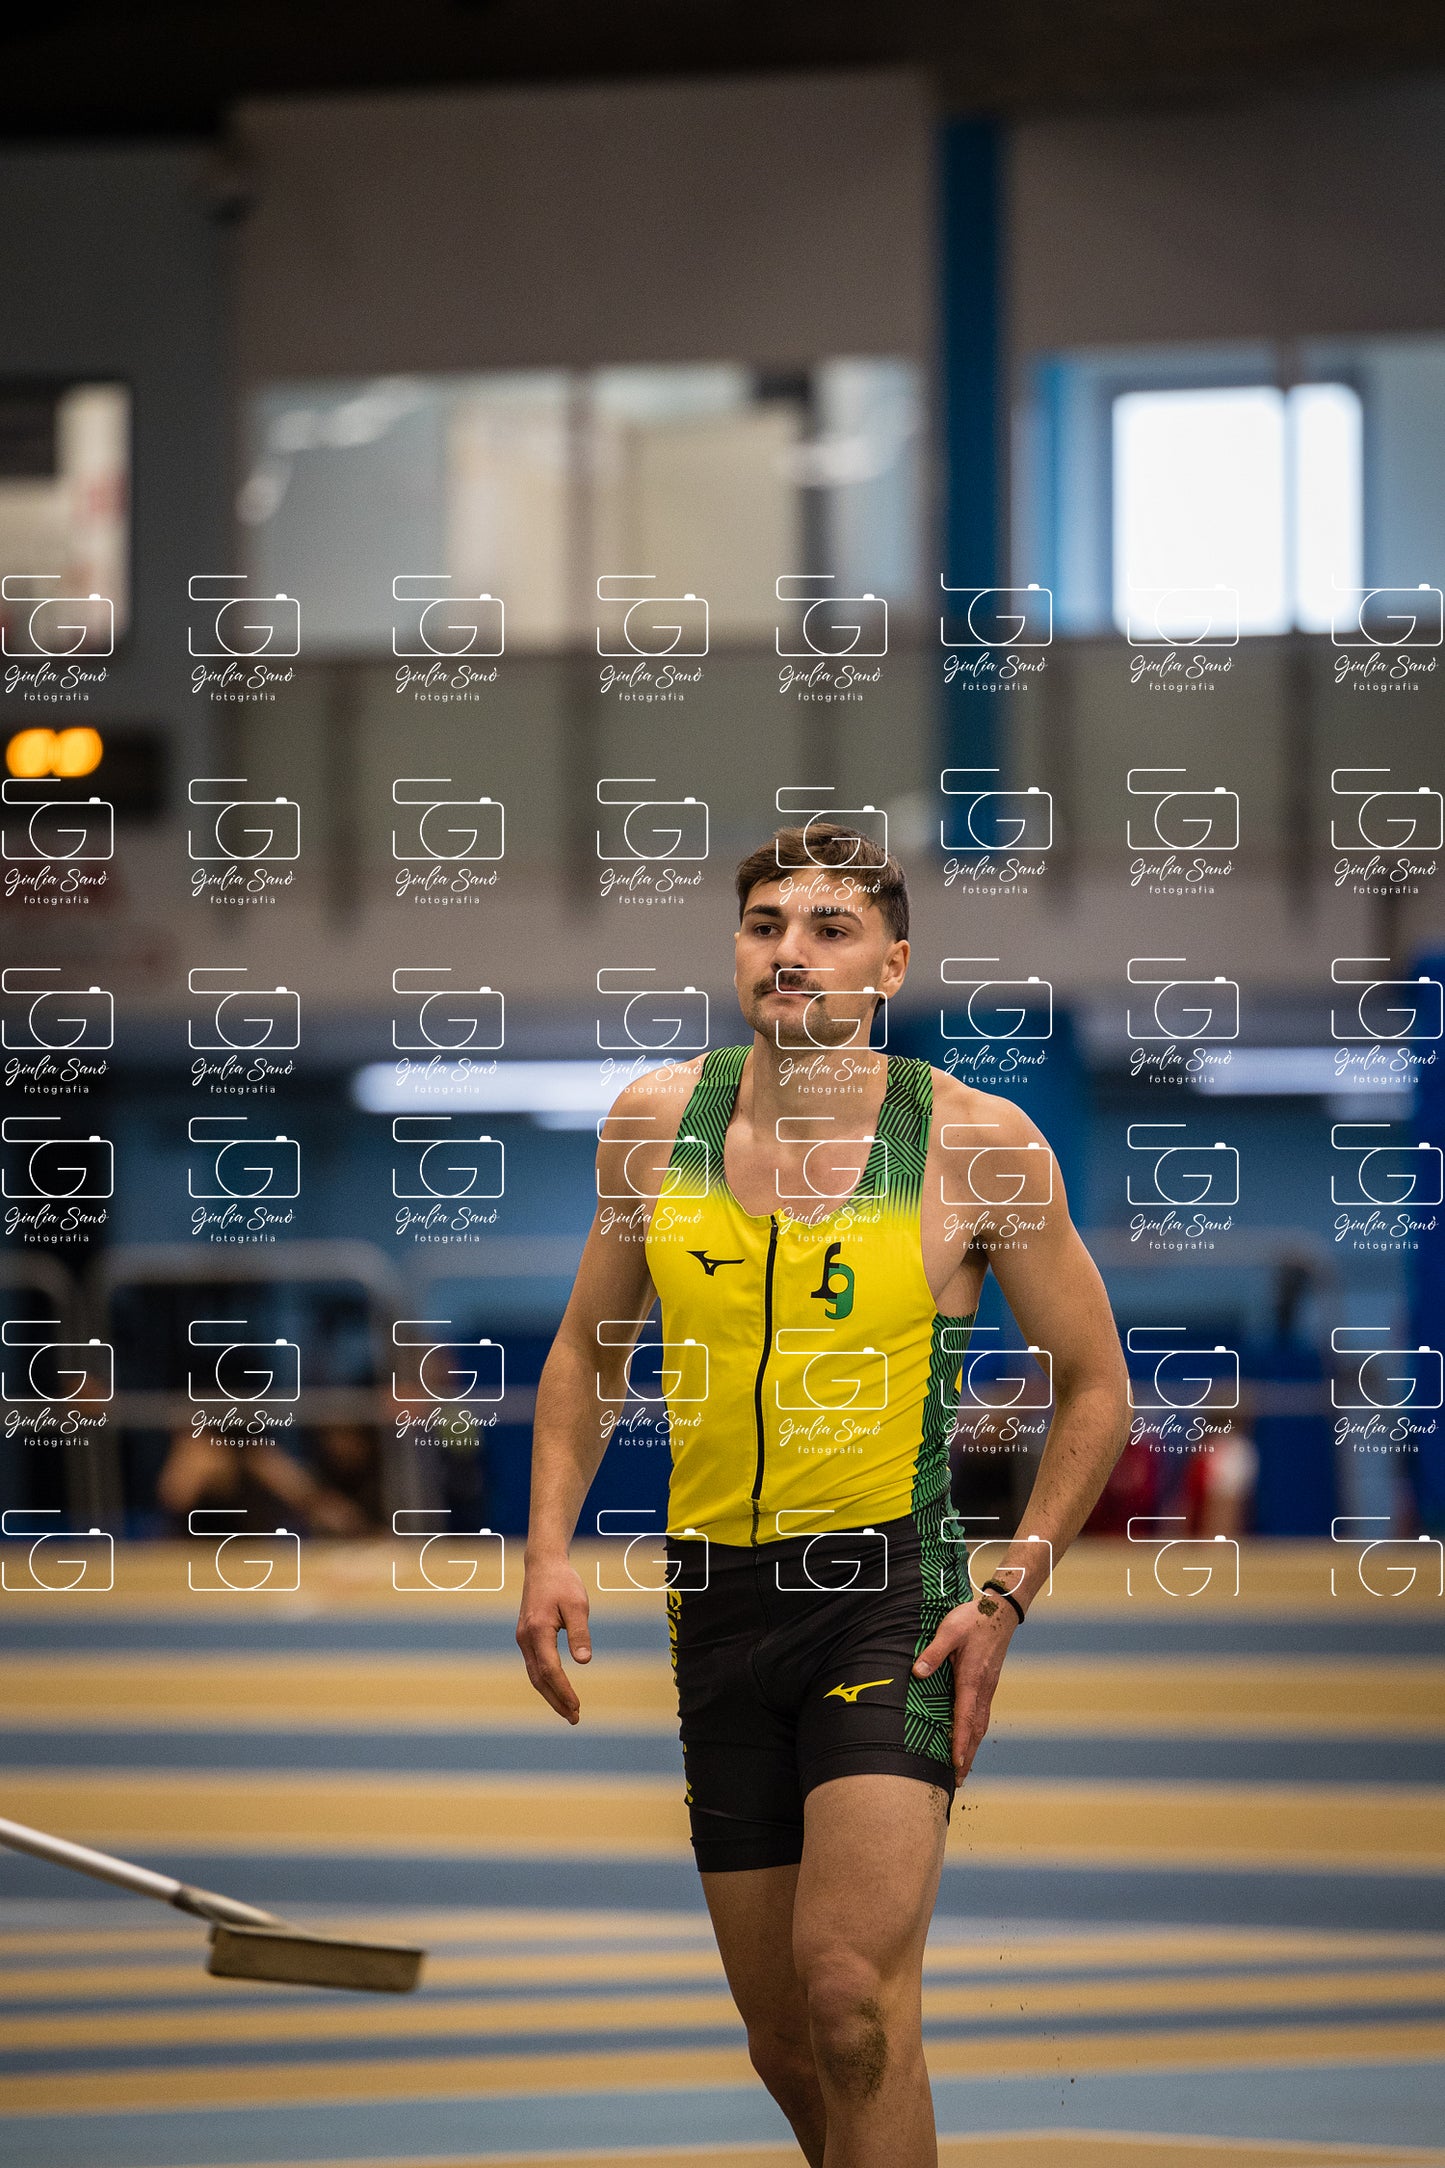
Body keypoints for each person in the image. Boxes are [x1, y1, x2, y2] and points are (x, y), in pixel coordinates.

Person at [517, 823, 1129, 2167]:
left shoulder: (977, 1144)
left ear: (891, 966)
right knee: (787, 2041)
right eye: (764, 926)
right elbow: (586, 1351)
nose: (788, 952)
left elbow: (1095, 1387)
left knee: (852, 1999)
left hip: (888, 1597)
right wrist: (547, 1547)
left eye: (828, 929)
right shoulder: (651, 1125)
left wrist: (1007, 1593)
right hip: (716, 1599)